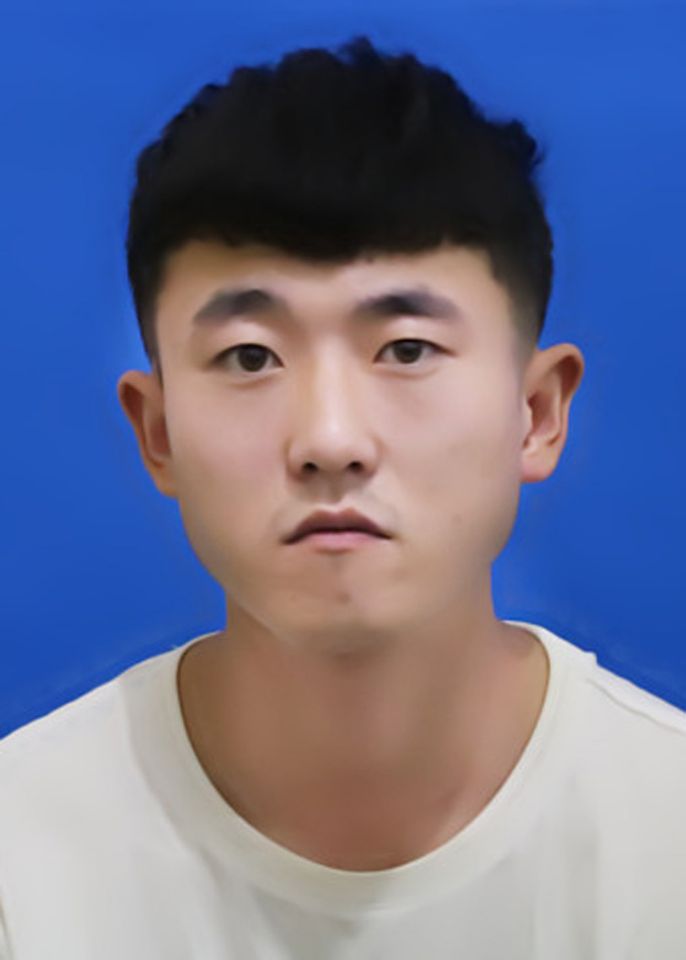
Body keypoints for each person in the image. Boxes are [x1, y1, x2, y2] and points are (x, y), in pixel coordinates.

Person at [1, 34, 685, 960]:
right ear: (157, 432)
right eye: (250, 357)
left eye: (406, 350)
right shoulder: (23, 862)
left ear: (536, 413)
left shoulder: (666, 835)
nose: (329, 440)